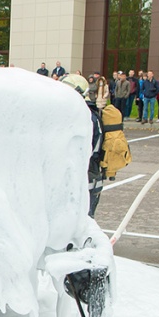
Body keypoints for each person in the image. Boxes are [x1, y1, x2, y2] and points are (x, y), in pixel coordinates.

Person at [60, 74, 104, 217]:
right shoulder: (69, 114)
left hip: (86, 176)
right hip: (72, 177)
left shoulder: (88, 116)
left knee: (83, 225)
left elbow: (91, 150)